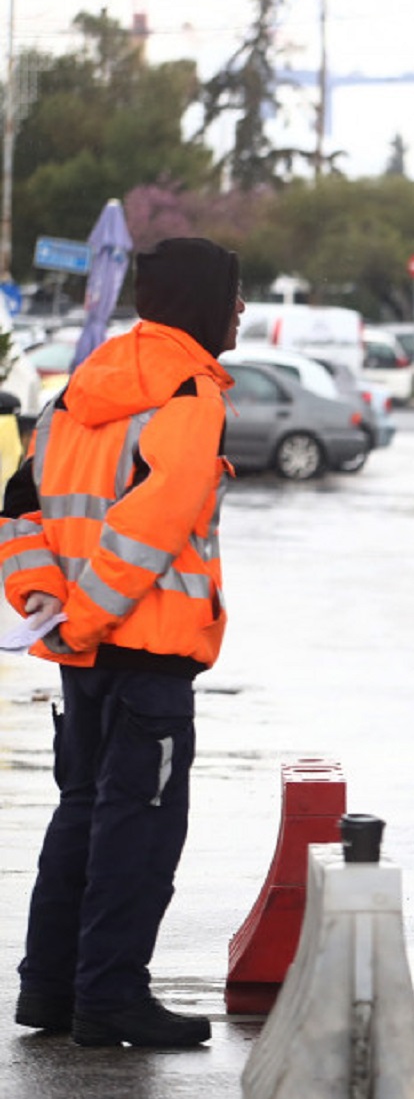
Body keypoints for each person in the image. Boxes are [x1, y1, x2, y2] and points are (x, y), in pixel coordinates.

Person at [4, 236, 243, 1048]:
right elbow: (149, 527)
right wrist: (87, 615)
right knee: (138, 829)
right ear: (205, 303)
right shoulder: (188, 394)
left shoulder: (76, 393)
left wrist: (45, 600)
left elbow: (19, 505)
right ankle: (109, 997)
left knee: (81, 814)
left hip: (83, 655)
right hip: (145, 656)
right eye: (234, 297)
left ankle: (51, 991)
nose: (241, 312)